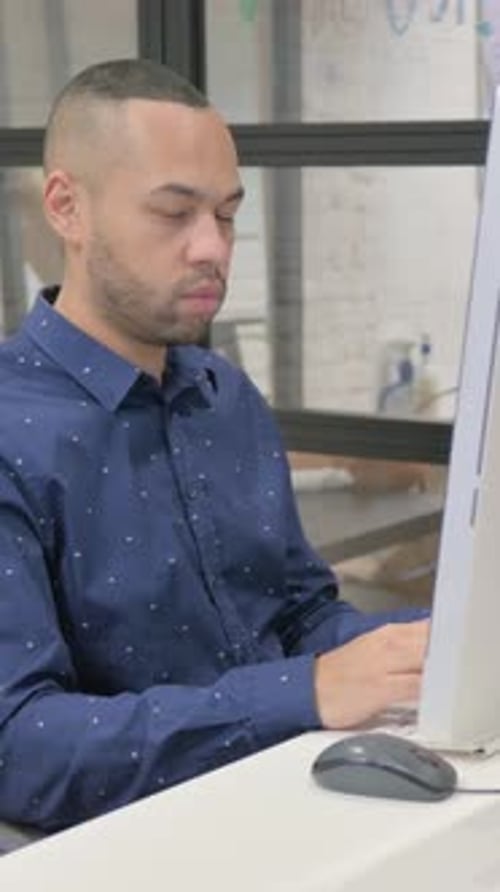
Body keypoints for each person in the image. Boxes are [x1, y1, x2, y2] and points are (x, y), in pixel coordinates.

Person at [0, 58, 429, 832]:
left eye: (227, 215)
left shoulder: (224, 398)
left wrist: (424, 649)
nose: (213, 249)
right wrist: (307, 692)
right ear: (66, 207)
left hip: (293, 802)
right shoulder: (11, 434)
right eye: (174, 213)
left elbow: (298, 617)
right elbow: (19, 745)